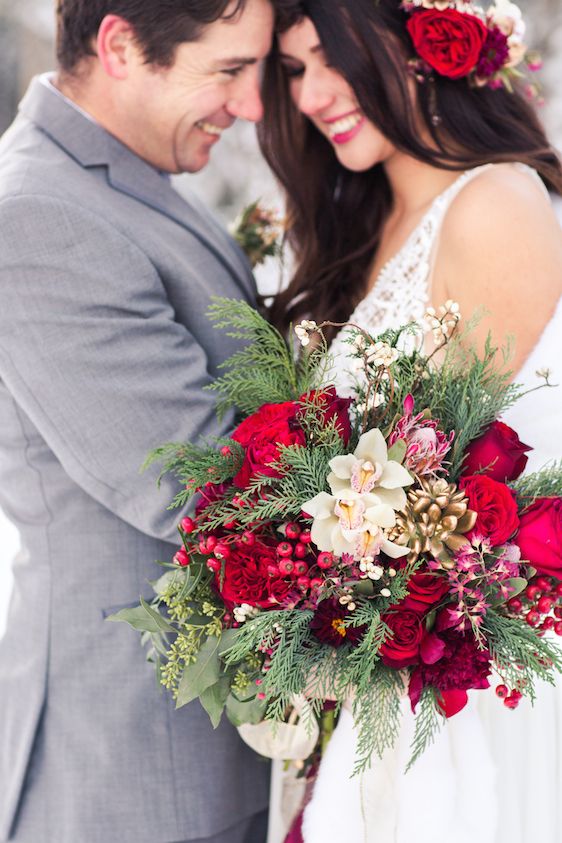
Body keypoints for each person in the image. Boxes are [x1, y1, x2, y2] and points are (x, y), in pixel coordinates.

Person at [257, 0, 562, 841]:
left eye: (330, 58)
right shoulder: (352, 222)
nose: (313, 95)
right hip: (364, 672)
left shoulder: (495, 205)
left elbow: (463, 486)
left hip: (449, 691)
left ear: (414, 41)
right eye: (293, 70)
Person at [0, 2, 274, 842]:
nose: (252, 104)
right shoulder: (39, 214)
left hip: (195, 742)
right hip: (130, 763)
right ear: (121, 46)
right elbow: (197, 483)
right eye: (228, 70)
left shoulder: (122, 174)